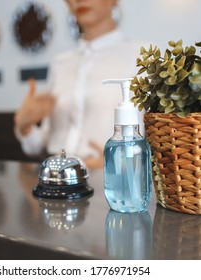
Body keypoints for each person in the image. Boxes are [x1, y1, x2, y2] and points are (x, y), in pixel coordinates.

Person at [14, 0, 145, 169]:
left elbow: (161, 140)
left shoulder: (142, 55)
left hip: (112, 182)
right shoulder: (60, 63)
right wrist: (25, 126)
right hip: (55, 178)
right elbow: (40, 144)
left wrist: (121, 164)